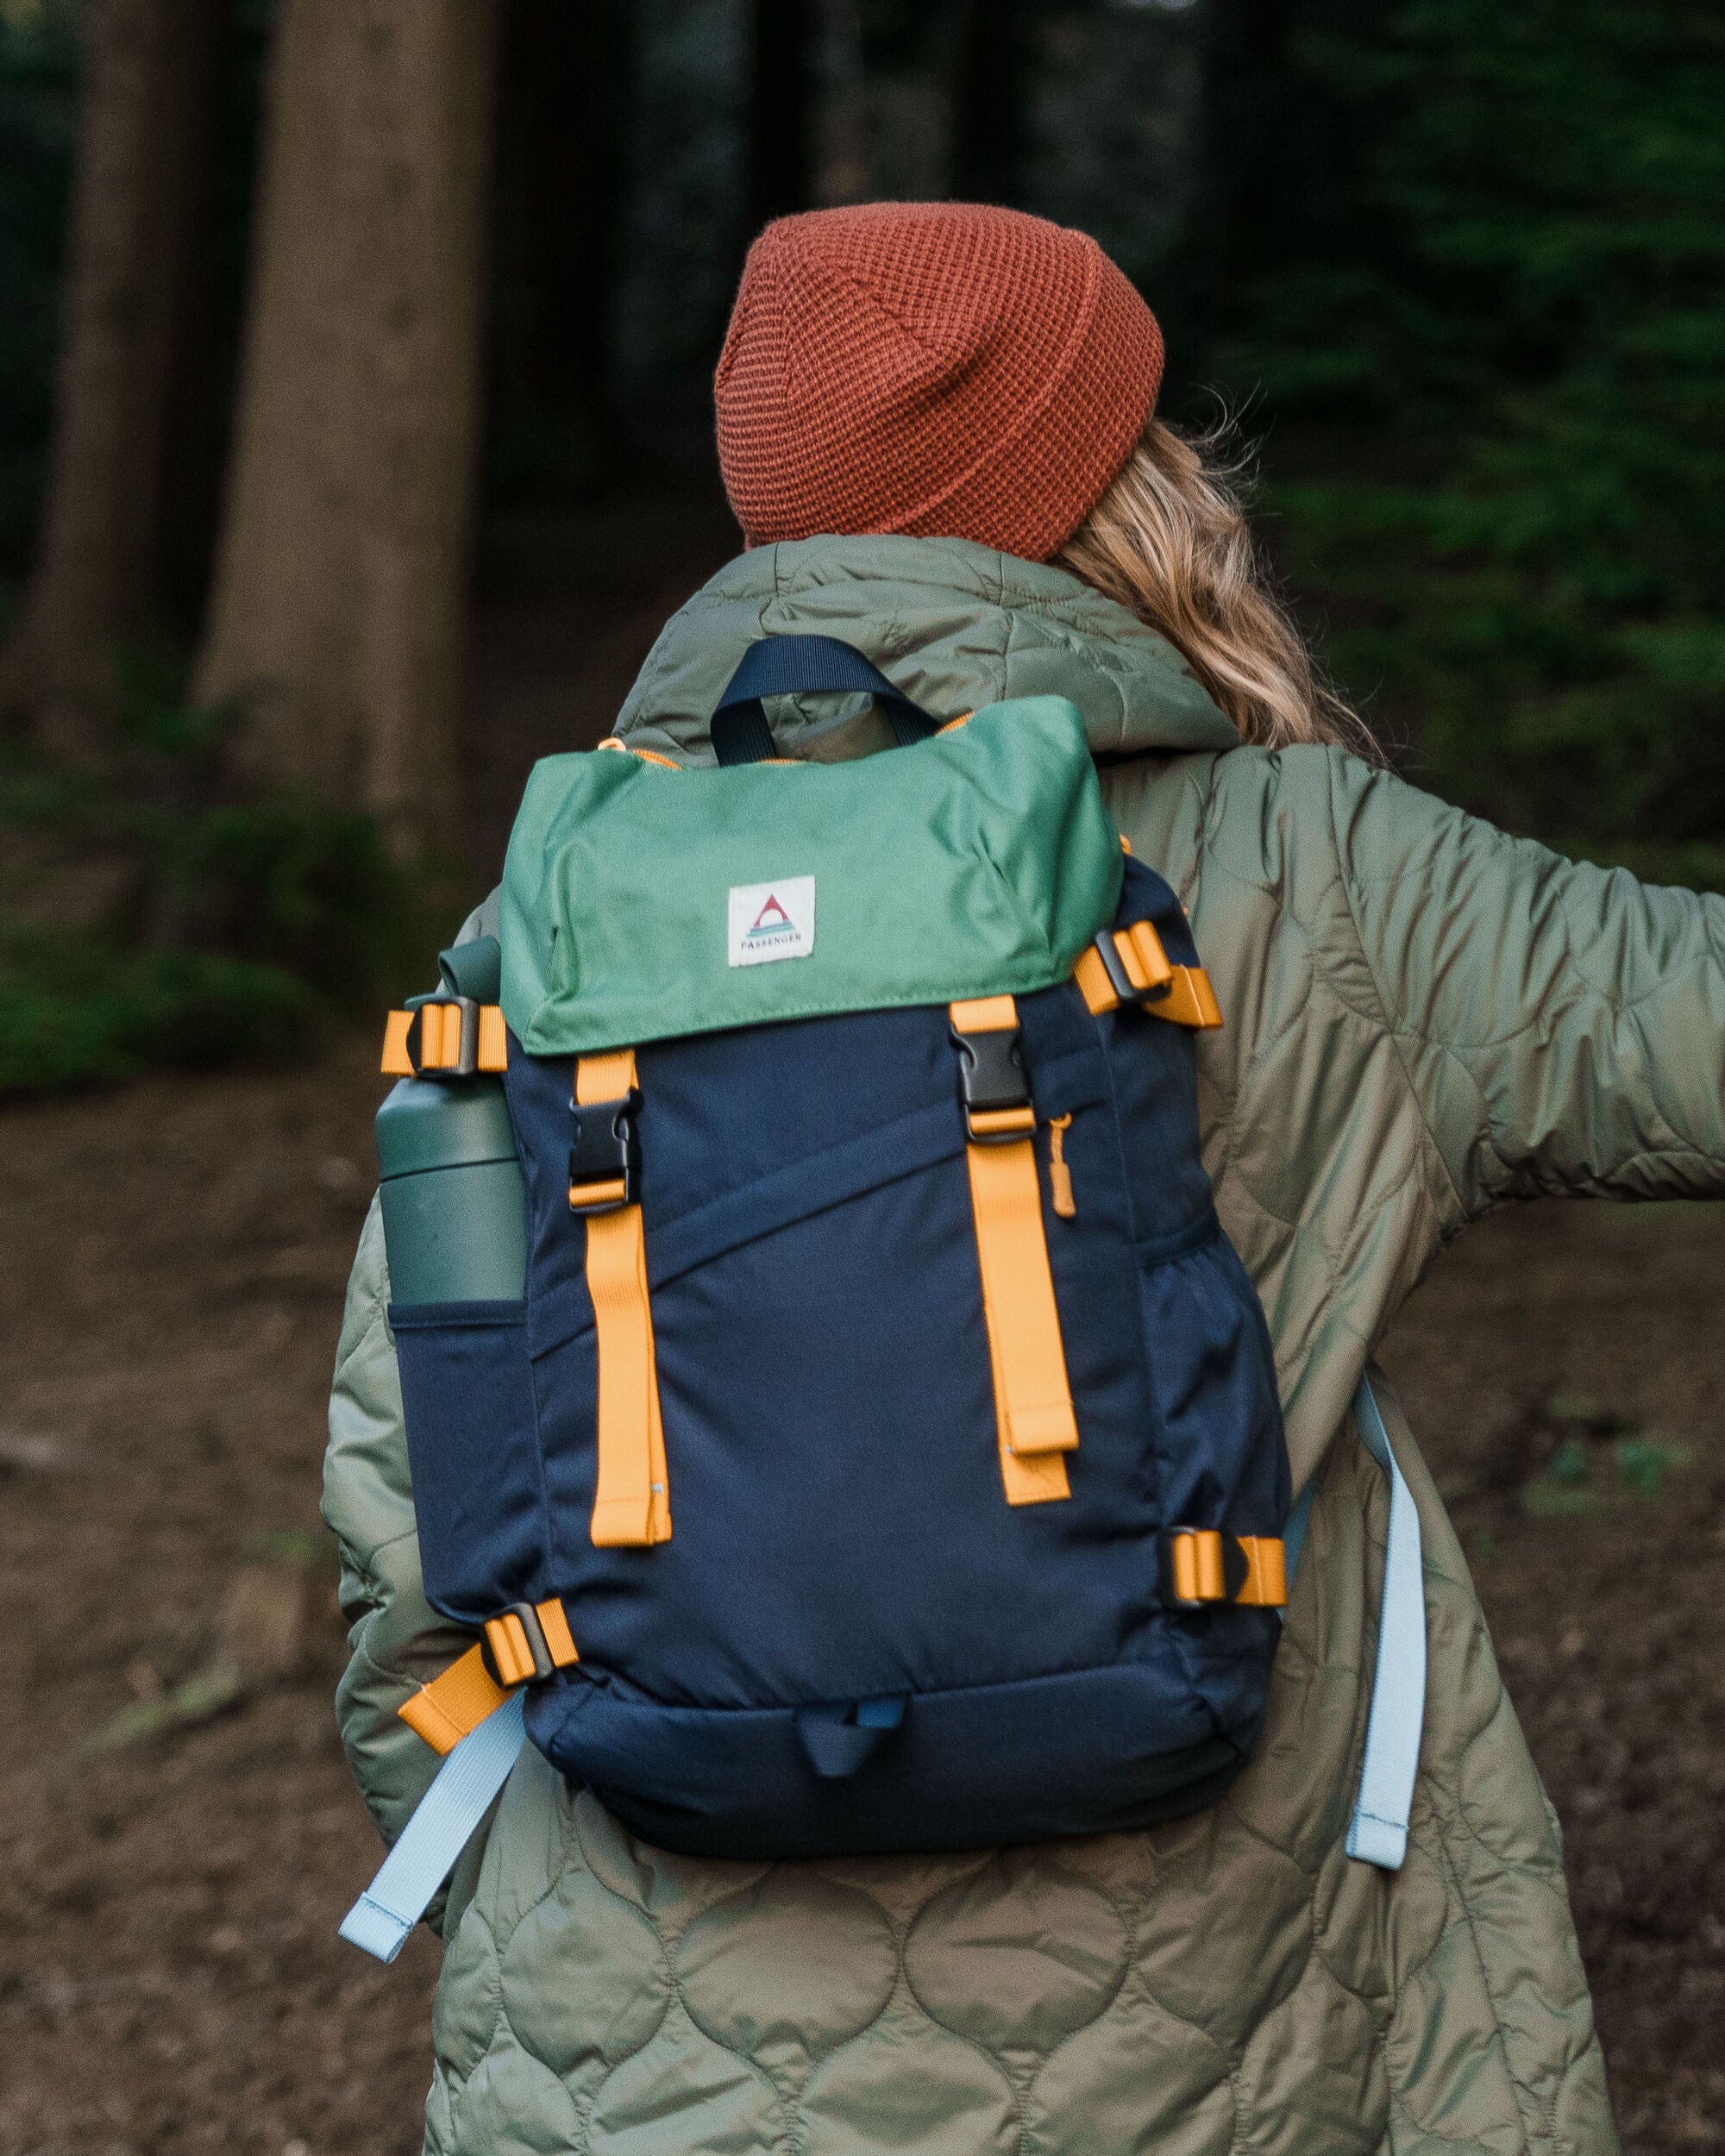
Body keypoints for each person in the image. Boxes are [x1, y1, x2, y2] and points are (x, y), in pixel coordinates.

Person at [326, 201, 1720, 2153]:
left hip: (632, 2047)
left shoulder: (552, 921)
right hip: (1224, 2034)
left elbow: (413, 1525)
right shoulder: (1313, 868)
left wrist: (564, 1910)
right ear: (1118, 482)